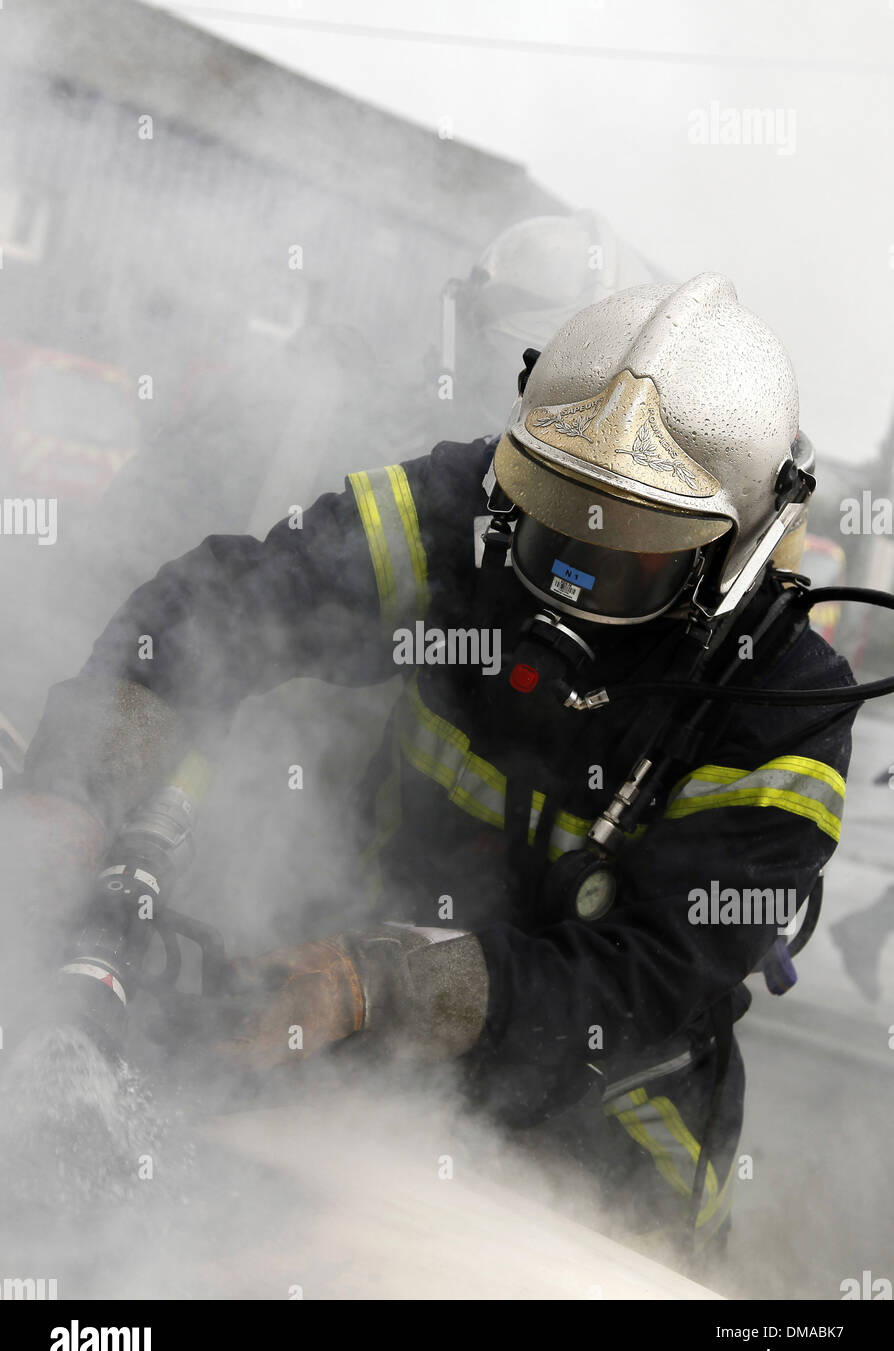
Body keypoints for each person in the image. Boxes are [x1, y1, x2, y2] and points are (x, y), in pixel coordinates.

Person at [14, 272, 856, 1259]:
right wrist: (71, 791)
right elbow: (216, 609)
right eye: (556, 523)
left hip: (611, 1135)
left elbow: (648, 977)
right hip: (362, 1067)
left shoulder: (784, 705)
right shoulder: (462, 518)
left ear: (736, 554)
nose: (568, 587)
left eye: (630, 557)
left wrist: (387, 981)